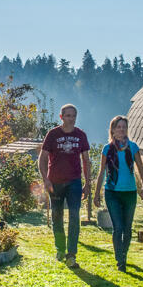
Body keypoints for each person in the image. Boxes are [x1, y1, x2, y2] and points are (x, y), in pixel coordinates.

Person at [39, 104, 92, 268]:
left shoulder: (81, 135)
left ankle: (71, 254)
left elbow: (86, 160)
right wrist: (45, 180)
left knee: (75, 216)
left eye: (73, 115)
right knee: (57, 216)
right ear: (61, 117)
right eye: (68, 115)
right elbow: (42, 159)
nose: (71, 118)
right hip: (55, 182)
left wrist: (88, 183)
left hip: (74, 181)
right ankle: (60, 248)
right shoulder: (53, 134)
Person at [93, 115, 143, 271]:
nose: (121, 129)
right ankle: (120, 260)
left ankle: (124, 254)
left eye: (124, 127)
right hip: (112, 192)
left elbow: (141, 168)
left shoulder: (133, 147)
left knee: (128, 228)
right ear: (113, 130)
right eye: (118, 127)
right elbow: (101, 171)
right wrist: (96, 194)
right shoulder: (107, 149)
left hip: (130, 192)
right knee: (118, 227)